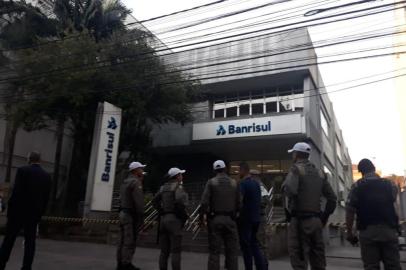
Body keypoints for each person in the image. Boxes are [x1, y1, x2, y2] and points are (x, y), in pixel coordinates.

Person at [283, 142, 337, 270]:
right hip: (316, 221)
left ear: (296, 154)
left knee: (299, 259)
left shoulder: (295, 169)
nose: (293, 156)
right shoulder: (320, 173)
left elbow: (290, 190)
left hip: (299, 222)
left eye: (293, 154)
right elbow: (332, 198)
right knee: (318, 259)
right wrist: (323, 218)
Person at [346, 158, 401, 270]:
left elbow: (350, 211)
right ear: (374, 169)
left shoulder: (357, 187)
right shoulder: (390, 185)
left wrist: (350, 233)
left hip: (367, 232)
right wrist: (397, 226)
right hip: (388, 230)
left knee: (371, 266)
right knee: (393, 266)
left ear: (361, 172)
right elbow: (395, 206)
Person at [0, 151, 52, 270]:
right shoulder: (46, 176)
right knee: (30, 242)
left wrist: (10, 210)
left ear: (29, 159)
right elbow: (46, 198)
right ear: (40, 160)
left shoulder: (22, 171)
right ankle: (26, 267)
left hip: (18, 212)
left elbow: (16, 192)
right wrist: (40, 214)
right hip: (34, 215)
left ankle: (2, 262)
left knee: (9, 239)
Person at [200, 160, 240, 270]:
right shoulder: (233, 182)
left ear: (214, 170)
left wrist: (202, 216)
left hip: (215, 220)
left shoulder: (211, 182)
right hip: (231, 220)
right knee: (232, 252)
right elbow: (239, 203)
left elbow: (204, 202)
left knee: (214, 251)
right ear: (225, 169)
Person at [153, 167, 189, 270]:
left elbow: (154, 201)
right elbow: (180, 201)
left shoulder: (163, 188)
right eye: (181, 174)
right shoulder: (178, 187)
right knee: (176, 251)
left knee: (164, 251)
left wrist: (161, 210)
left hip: (164, 219)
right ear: (177, 176)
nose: (182, 176)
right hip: (174, 220)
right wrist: (182, 214)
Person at [117, 161, 146, 270]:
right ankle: (126, 264)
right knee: (129, 241)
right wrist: (141, 219)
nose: (142, 171)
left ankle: (120, 263)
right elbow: (139, 203)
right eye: (141, 169)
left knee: (121, 241)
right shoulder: (135, 182)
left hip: (122, 213)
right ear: (135, 170)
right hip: (130, 215)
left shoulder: (125, 182)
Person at [238, 162, 267, 270]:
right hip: (256, 218)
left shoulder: (243, 184)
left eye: (239, 171)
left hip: (246, 219)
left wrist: (237, 212)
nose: (238, 173)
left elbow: (239, 201)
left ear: (242, 170)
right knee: (255, 245)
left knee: (246, 247)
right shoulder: (257, 184)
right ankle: (262, 267)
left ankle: (249, 267)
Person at [250, 170, 271, 270]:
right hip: (256, 217)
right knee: (257, 243)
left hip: (259, 217)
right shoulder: (256, 185)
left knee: (261, 243)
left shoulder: (260, 186)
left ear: (255, 176)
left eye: (251, 176)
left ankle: (263, 265)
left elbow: (266, 201)